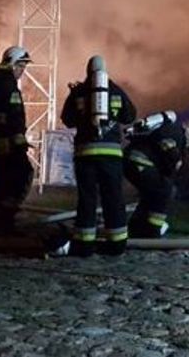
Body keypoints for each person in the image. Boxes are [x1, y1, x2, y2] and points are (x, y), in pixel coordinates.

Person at [60, 55, 136, 257]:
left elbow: (67, 120)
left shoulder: (79, 92)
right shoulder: (116, 90)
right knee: (114, 198)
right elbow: (130, 116)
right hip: (111, 155)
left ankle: (84, 246)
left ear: (87, 71)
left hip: (86, 154)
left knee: (87, 199)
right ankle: (117, 244)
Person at [123, 111, 189, 238]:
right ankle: (153, 230)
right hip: (139, 160)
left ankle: (136, 228)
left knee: (151, 195)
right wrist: (176, 158)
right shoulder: (175, 130)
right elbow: (165, 140)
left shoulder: (180, 141)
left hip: (134, 161)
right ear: (186, 127)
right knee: (164, 191)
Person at [0, 47, 33, 235]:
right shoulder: (5, 85)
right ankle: (4, 220)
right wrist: (13, 140)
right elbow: (8, 117)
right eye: (20, 65)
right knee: (22, 175)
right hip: (8, 144)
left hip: (2, 143)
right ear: (11, 64)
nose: (22, 70)